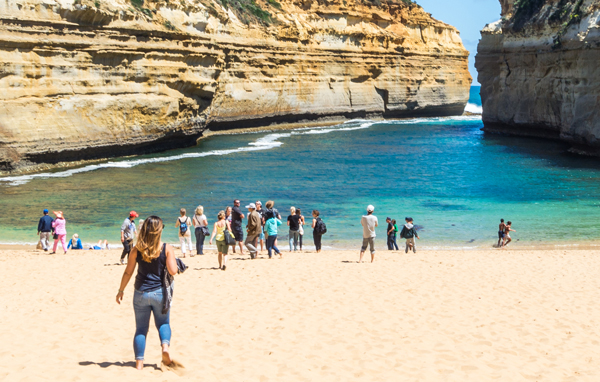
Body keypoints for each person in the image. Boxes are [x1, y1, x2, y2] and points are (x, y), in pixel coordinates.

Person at [115, 216, 178, 371]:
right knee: (163, 323)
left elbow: (128, 272)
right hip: (160, 293)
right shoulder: (166, 248)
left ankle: (139, 364)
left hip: (141, 293)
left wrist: (120, 290)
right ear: (159, 231)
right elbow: (173, 271)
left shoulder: (137, 249)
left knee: (141, 329)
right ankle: (165, 347)